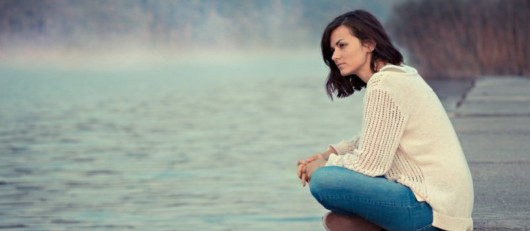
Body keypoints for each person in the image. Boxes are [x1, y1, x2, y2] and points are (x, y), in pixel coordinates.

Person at [296, 10, 474, 231]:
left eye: (342, 46)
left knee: (324, 181)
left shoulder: (384, 84)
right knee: (336, 222)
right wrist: (329, 153)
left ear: (369, 44)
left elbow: (370, 164)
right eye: (332, 50)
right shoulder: (399, 75)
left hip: (434, 210)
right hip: (447, 208)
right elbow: (374, 137)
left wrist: (323, 166)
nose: (334, 56)